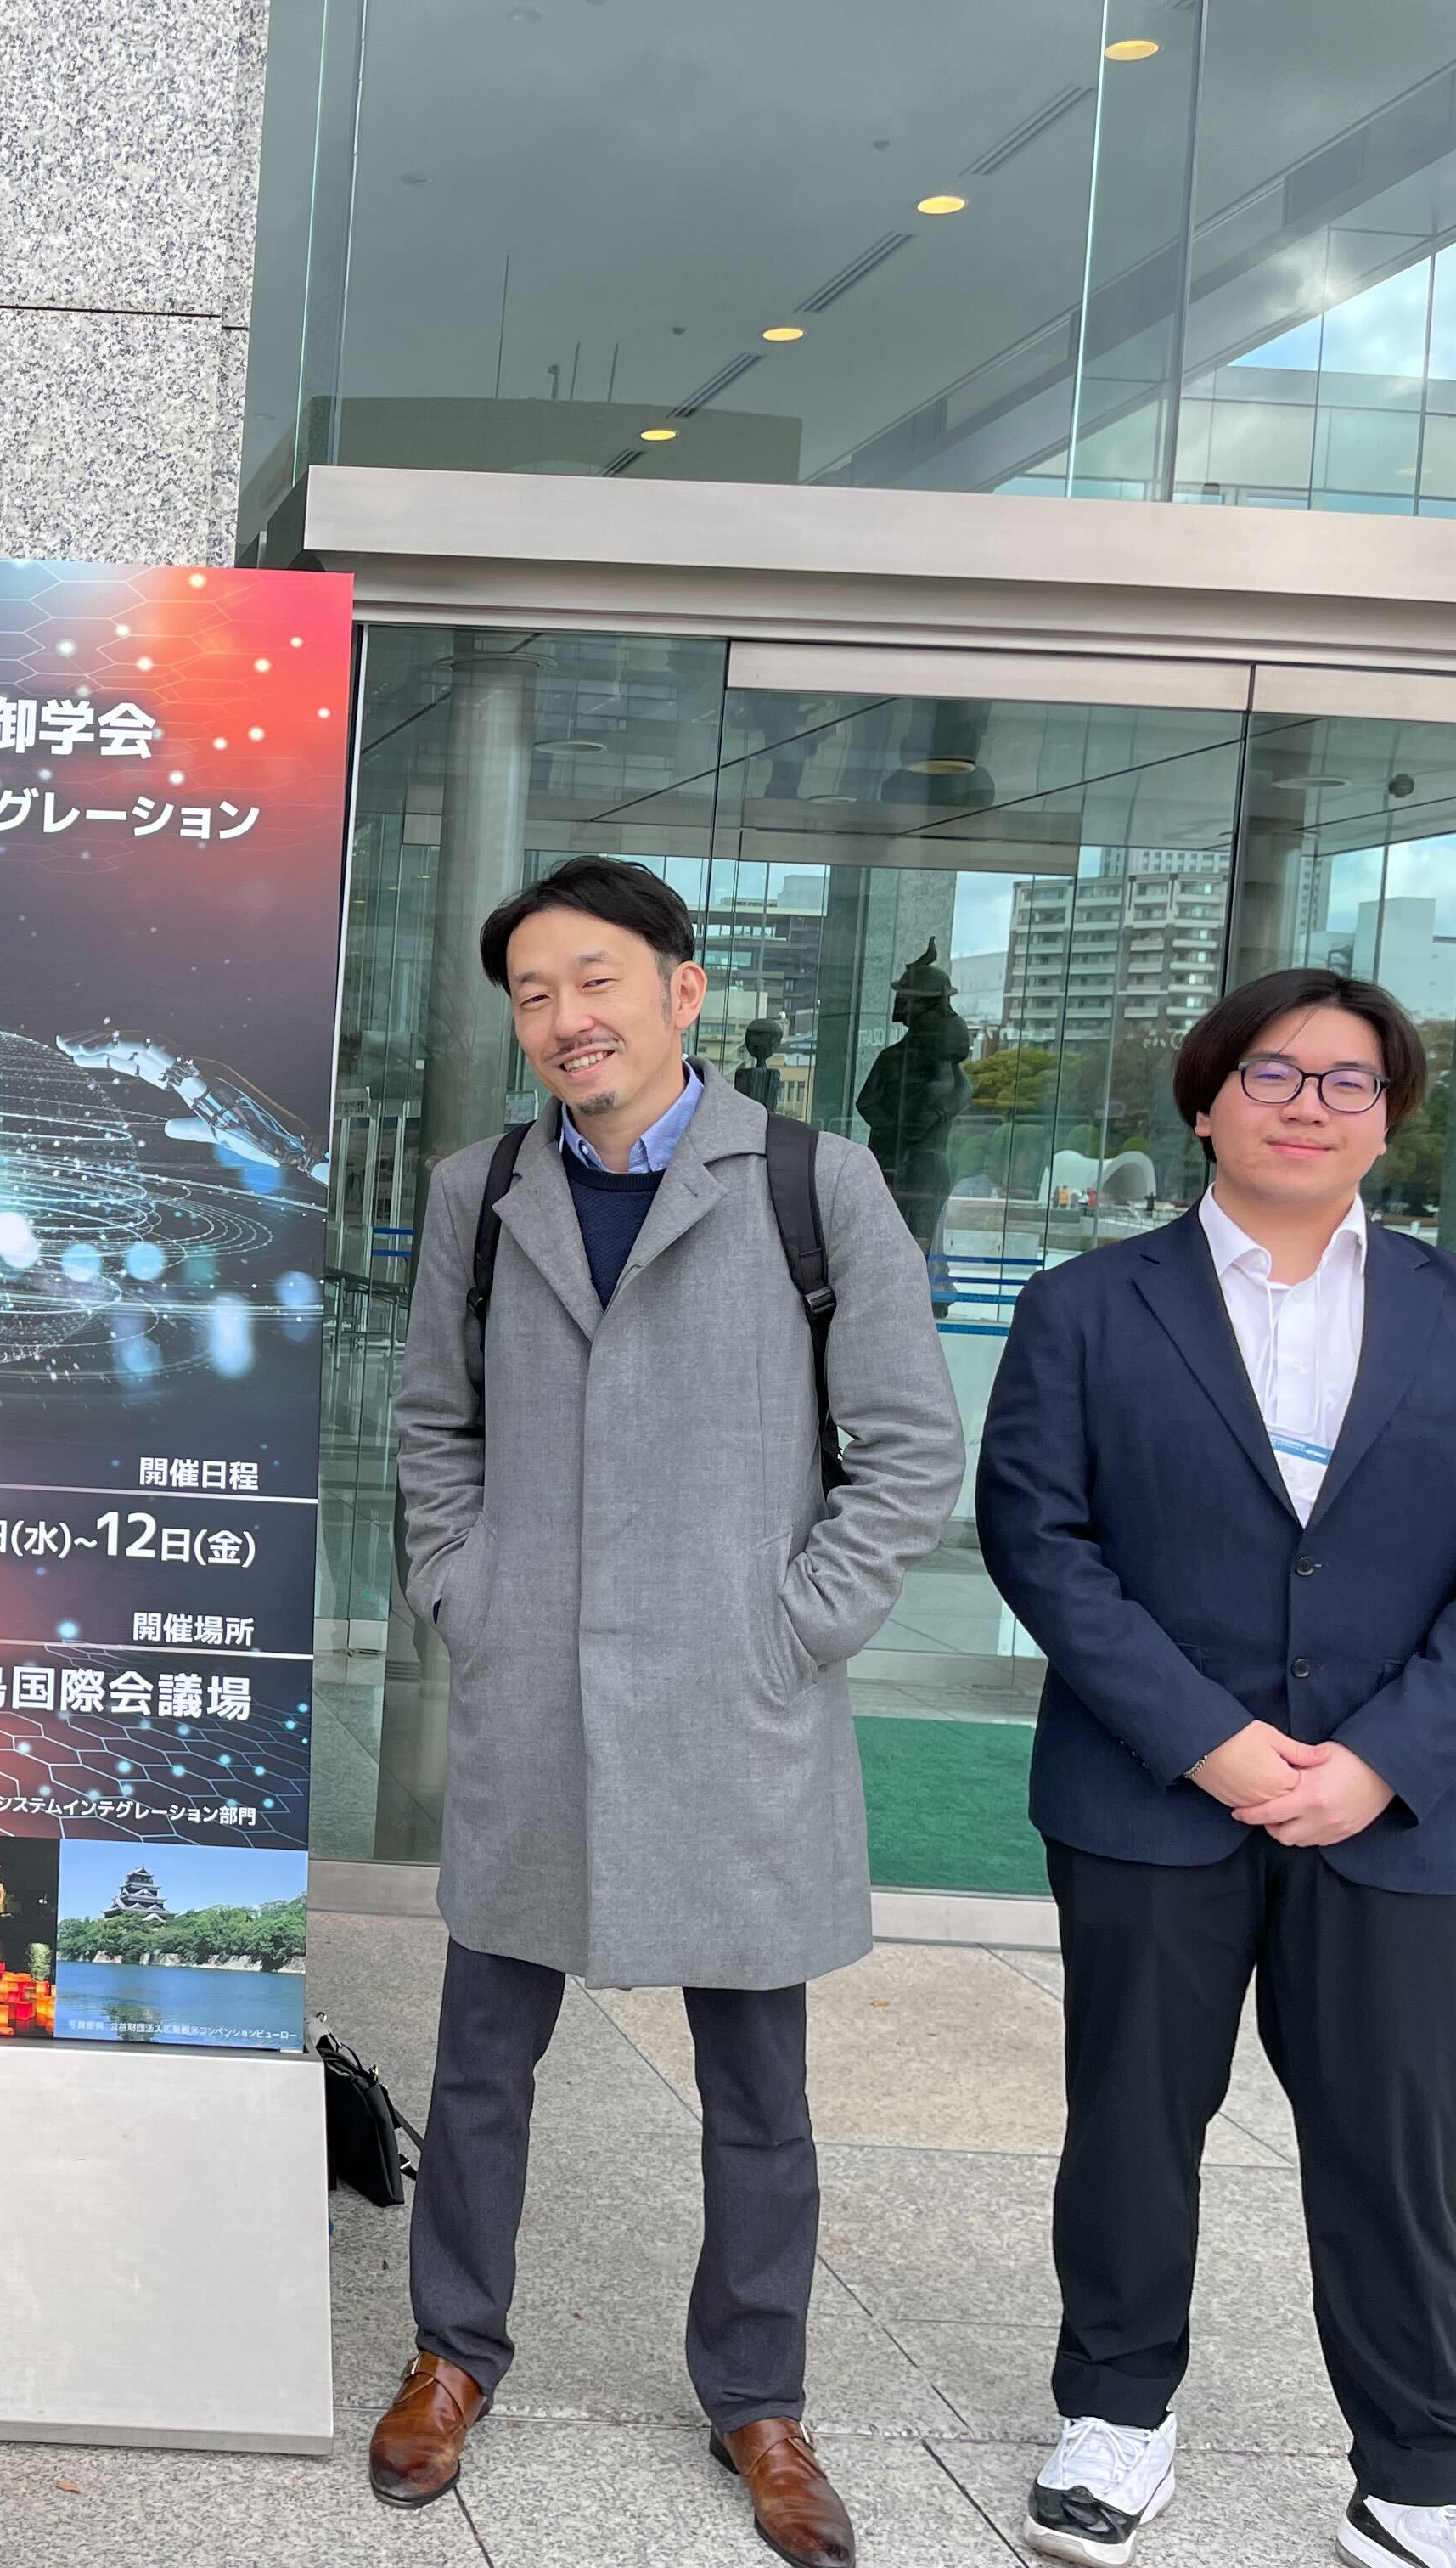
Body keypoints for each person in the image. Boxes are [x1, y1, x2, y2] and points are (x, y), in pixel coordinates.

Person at [368, 857, 963, 2566]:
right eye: (533, 992)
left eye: (598, 979)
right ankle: (452, 2353)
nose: (568, 1017)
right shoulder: (482, 1188)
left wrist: (794, 1627)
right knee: (482, 2061)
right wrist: (468, 1593)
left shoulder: (811, 1181)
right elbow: (432, 1425)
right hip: (534, 1690)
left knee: (757, 2084)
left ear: (682, 991)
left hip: (735, 1701)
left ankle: (758, 2395)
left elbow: (907, 1447)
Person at [978, 969, 1456, 2568]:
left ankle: (1417, 2454)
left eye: (1350, 1081)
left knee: (1396, 2135)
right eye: (1272, 1072)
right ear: (1206, 1102)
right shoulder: (1087, 1306)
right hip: (1151, 1792)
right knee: (1133, 2118)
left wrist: (1383, 1758)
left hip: (1390, 1808)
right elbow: (1039, 1537)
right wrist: (1204, 1737)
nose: (1309, 1103)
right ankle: (1115, 2412)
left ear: (1389, 1120)